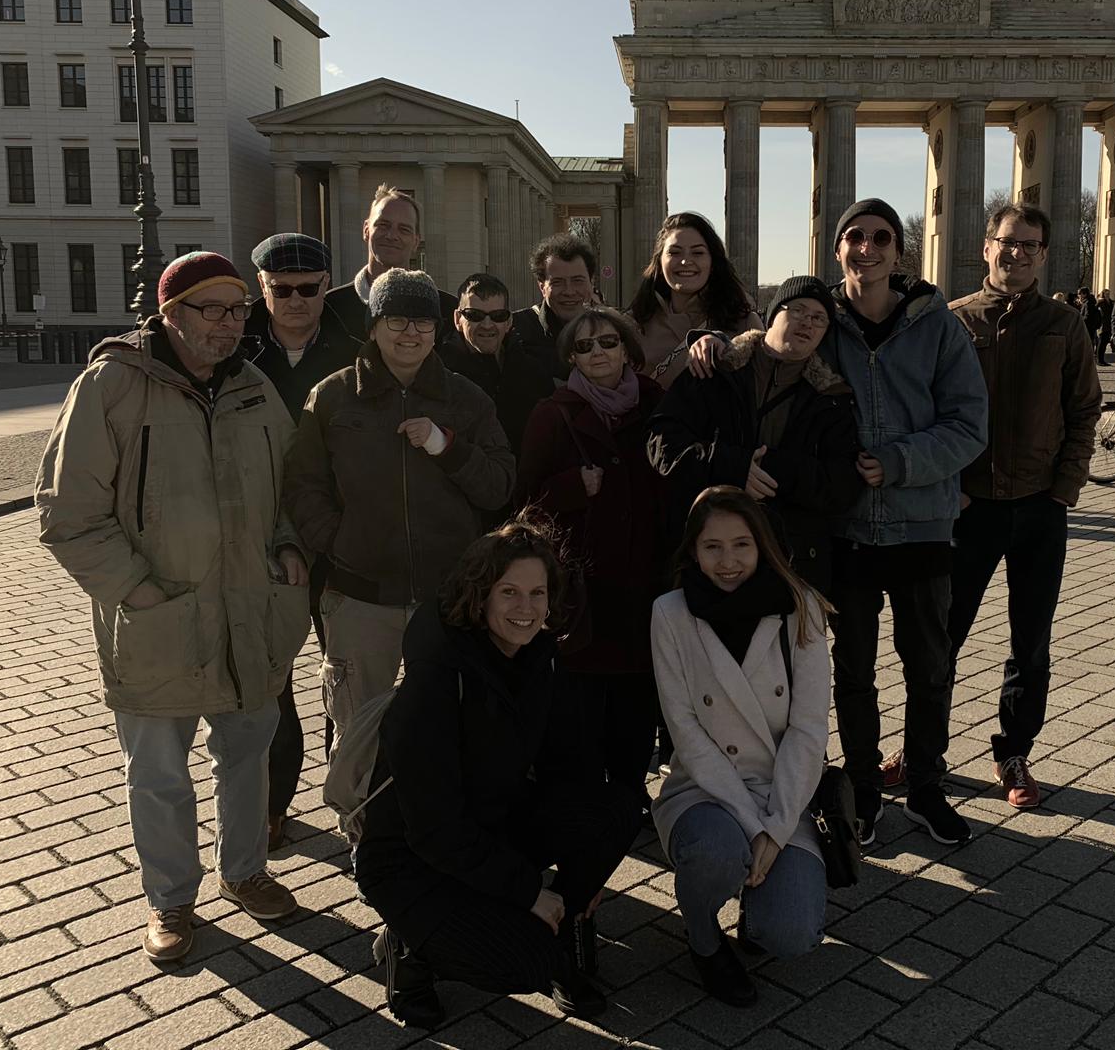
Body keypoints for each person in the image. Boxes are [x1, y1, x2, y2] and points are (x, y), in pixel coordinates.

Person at [35, 251, 310, 962]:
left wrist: (287, 548)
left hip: (250, 612)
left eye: (238, 310)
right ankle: (170, 901)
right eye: (212, 309)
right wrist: (136, 589)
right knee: (158, 770)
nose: (228, 325)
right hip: (158, 620)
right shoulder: (114, 385)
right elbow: (67, 512)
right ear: (169, 314)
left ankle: (244, 871)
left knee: (246, 753)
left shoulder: (252, 388)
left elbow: (292, 488)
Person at [354, 515, 642, 1029]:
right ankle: (409, 945)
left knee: (617, 807)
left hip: (492, 825)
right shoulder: (436, 681)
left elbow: (570, 765)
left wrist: (584, 869)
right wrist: (526, 890)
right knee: (522, 963)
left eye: (537, 593)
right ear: (480, 594)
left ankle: (561, 927)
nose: (525, 608)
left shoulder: (542, 657)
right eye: (508, 592)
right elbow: (434, 830)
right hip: (410, 858)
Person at [284, 269, 516, 760]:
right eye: (396, 320)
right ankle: (362, 834)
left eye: (422, 321)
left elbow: (498, 485)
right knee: (358, 734)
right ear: (373, 326)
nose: (410, 332)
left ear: (438, 329)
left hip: (446, 598)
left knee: (445, 730)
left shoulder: (466, 398)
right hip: (361, 598)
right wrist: (340, 540)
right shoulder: (332, 396)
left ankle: (430, 833)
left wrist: (446, 447)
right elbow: (303, 485)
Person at [815, 198, 988, 847]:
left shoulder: (937, 327)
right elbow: (770, 357)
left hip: (921, 524)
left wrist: (899, 462)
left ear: (899, 250)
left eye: (880, 237)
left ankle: (924, 787)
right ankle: (862, 785)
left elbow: (970, 424)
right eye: (854, 236)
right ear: (839, 251)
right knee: (852, 669)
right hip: (850, 529)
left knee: (929, 667)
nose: (867, 247)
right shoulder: (820, 322)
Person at [945, 205, 1101, 810]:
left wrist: (1066, 486)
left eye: (1029, 246)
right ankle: (921, 745)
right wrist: (947, 485)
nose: (1017, 255)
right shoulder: (954, 320)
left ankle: (1014, 750)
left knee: (1030, 639)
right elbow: (935, 411)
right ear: (987, 249)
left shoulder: (1064, 323)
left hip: (1040, 506)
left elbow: (1084, 409)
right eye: (1007, 244)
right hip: (968, 507)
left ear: (1043, 254)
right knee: (942, 635)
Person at [651, 487, 831, 1007]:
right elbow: (685, 731)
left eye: (741, 545)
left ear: (763, 546)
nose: (727, 562)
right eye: (712, 547)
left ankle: (760, 903)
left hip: (782, 793)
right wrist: (753, 829)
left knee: (791, 937)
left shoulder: (802, 606)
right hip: (702, 788)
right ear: (692, 551)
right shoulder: (670, 613)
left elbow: (808, 731)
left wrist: (775, 827)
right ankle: (704, 941)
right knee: (717, 851)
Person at [516, 307, 667, 804]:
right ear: (571, 357)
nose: (597, 352)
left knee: (635, 708)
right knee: (582, 708)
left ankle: (626, 797)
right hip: (584, 594)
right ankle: (583, 805)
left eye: (607, 342)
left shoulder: (656, 403)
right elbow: (522, 503)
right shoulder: (552, 412)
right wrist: (571, 489)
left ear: (627, 348)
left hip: (647, 586)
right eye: (584, 346)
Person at [242, 232, 360, 849]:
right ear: (262, 290)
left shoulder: (356, 352)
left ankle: (348, 793)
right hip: (258, 538)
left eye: (308, 288)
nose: (294, 299)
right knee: (273, 679)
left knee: (341, 674)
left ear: (324, 287)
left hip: (333, 539)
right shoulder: (235, 352)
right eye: (280, 289)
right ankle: (272, 801)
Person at [646, 276, 862, 595]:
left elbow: (843, 486)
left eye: (819, 318)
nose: (807, 323)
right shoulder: (715, 369)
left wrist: (773, 469)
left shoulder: (832, 396)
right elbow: (660, 441)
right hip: (705, 559)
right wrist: (729, 466)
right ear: (774, 314)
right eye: (798, 310)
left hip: (791, 569)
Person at [627, 212, 763, 385]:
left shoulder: (746, 324)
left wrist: (725, 345)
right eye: (675, 253)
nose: (685, 261)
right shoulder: (633, 325)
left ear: (713, 263)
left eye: (697, 253)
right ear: (659, 263)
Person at [439, 272, 556, 454]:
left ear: (508, 321)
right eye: (474, 315)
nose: (487, 324)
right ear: (457, 319)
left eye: (498, 316)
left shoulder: (534, 373)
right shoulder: (437, 374)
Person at [326, 184, 455, 342]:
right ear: (366, 230)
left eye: (404, 229)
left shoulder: (446, 310)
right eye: (383, 225)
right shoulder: (331, 308)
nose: (392, 235)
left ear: (416, 241)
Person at [510, 234, 599, 378]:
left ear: (591, 282)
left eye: (578, 280)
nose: (569, 291)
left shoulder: (609, 331)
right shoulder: (515, 330)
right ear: (542, 287)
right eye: (557, 282)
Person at [1095, 289, 1114, 366]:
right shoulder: (1101, 302)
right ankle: (1099, 360)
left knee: (1105, 343)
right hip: (1102, 325)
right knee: (1101, 343)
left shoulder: (1111, 301)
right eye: (1106, 293)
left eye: (1108, 293)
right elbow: (1095, 311)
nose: (1107, 295)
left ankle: (1102, 360)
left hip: (1109, 324)